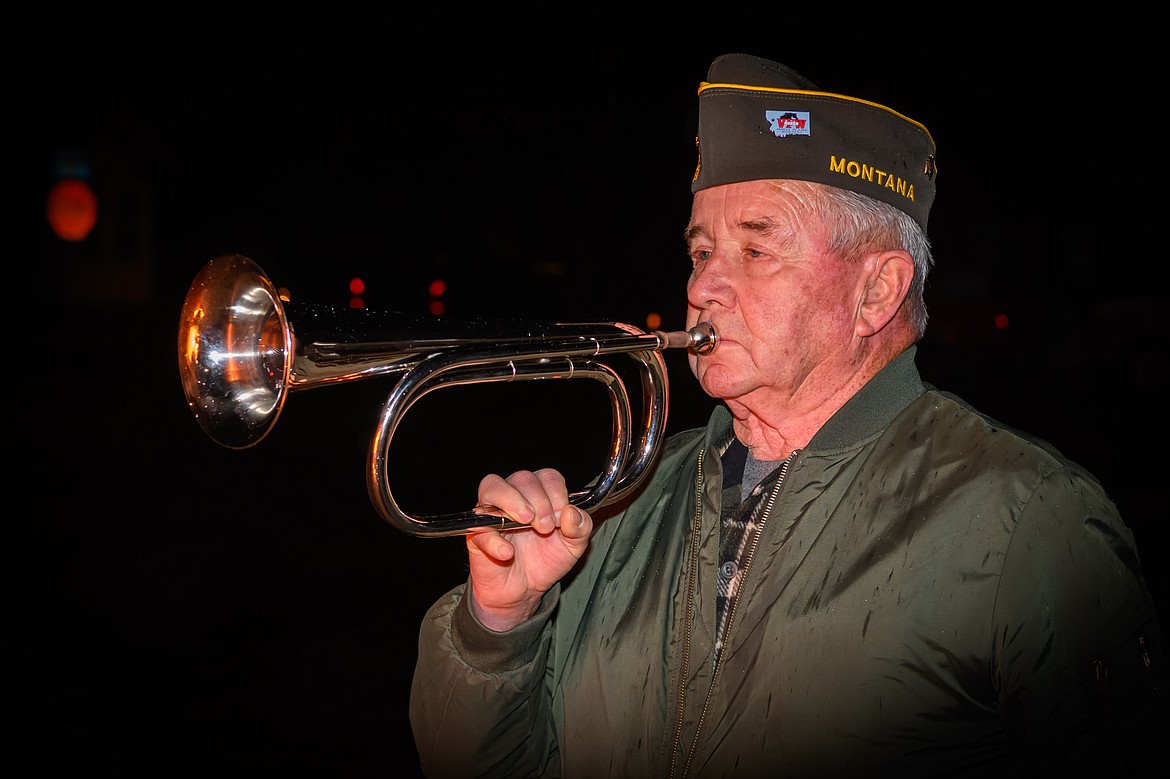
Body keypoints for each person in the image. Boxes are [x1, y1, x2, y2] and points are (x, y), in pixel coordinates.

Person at [408, 53, 1166, 777]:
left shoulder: (1030, 522)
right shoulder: (621, 502)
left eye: (755, 250)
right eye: (700, 249)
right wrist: (497, 628)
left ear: (876, 294)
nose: (704, 283)